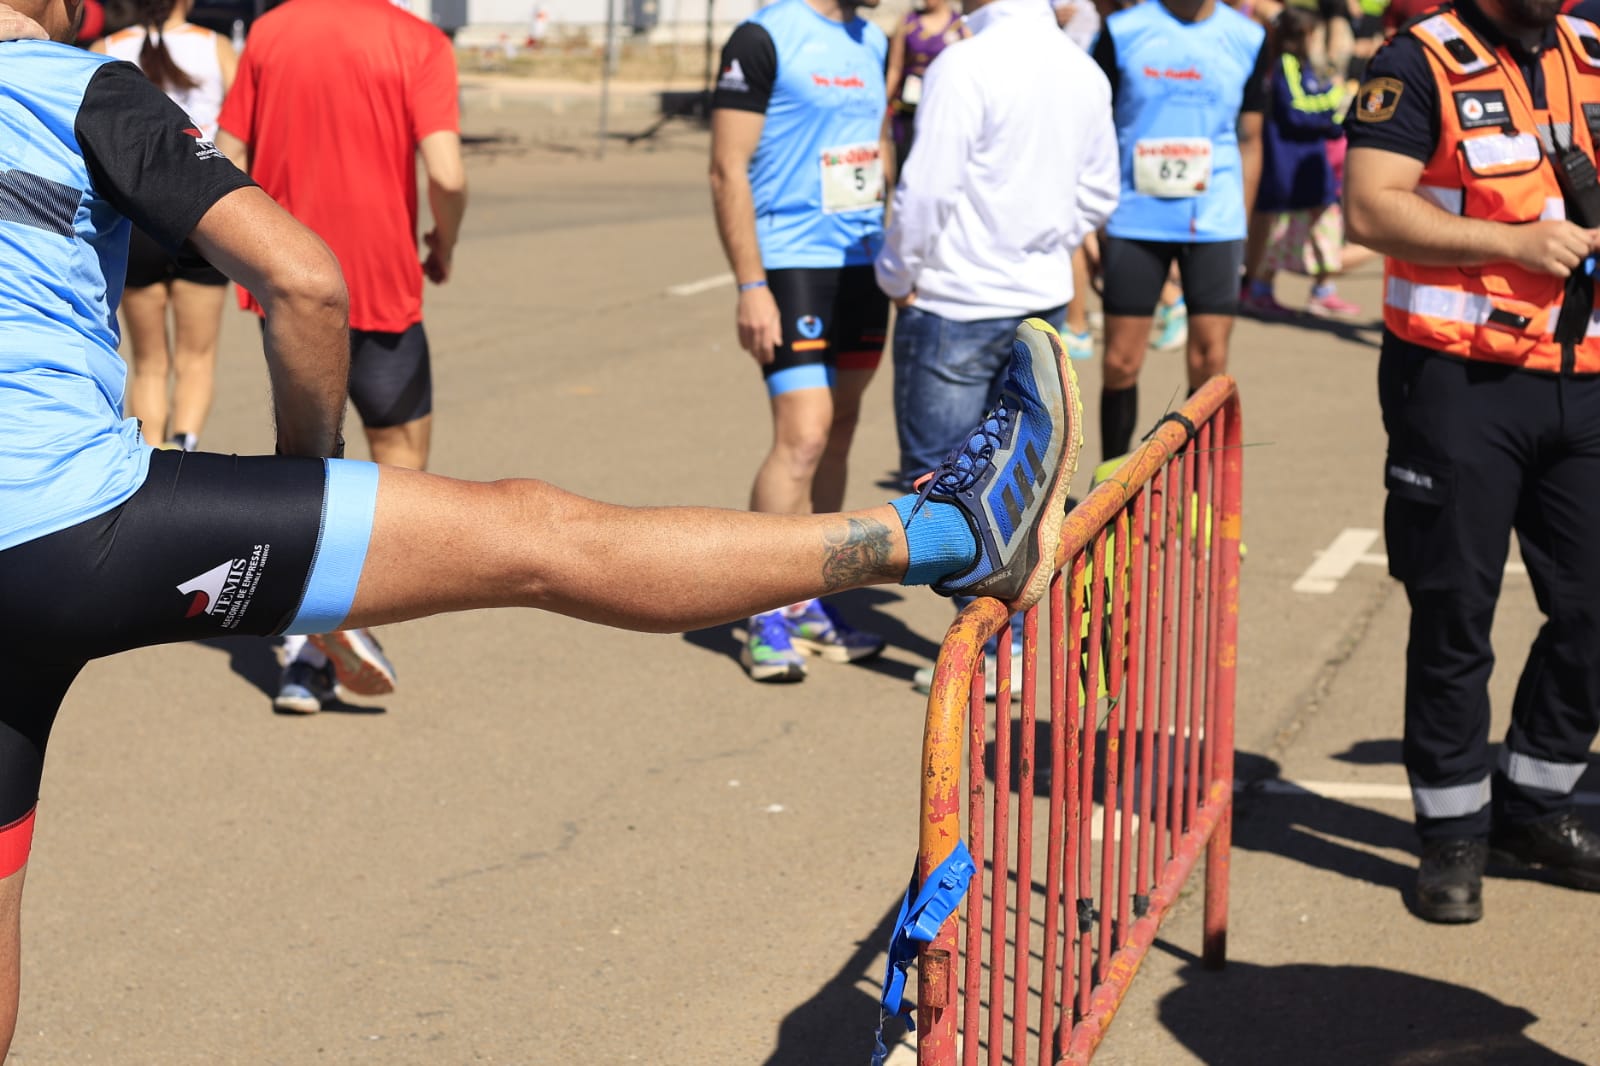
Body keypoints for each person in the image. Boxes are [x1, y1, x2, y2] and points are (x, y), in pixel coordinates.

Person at [0, 1, 1083, 1054]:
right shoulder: (69, 82)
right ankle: (945, 533)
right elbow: (303, 281)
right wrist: (304, 497)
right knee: (539, 537)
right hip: (60, 517)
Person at [1344, 0, 1600, 924]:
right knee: (1455, 606)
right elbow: (1370, 207)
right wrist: (1513, 243)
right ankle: (1452, 832)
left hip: (1586, 378)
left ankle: (1537, 804)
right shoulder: (1416, 64)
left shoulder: (1592, 49)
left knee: (1591, 605)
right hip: (1456, 383)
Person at [214, 0, 468, 712]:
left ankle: (306, 650)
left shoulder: (270, 31)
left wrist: (249, 259)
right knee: (401, 459)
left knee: (306, 464)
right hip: (381, 281)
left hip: (291, 284)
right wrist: (443, 240)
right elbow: (446, 175)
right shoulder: (417, 41)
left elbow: (227, 154)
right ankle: (340, 615)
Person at [709, 0, 894, 683]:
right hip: (791, 265)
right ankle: (762, 609)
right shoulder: (764, 36)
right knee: (805, 434)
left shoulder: (873, 38)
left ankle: (808, 597)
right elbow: (727, 167)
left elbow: (878, 145)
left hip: (864, 263)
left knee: (840, 429)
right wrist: (750, 284)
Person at [1092, 0, 1268, 465]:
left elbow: (1250, 139)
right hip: (1135, 215)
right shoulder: (1124, 31)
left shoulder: (1247, 37)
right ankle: (1110, 490)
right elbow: (1094, 128)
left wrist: (1242, 226)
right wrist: (1094, 219)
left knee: (1210, 361)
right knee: (1120, 363)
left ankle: (1195, 494)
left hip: (1215, 218)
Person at [91, 0, 236, 453]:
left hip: (136, 221)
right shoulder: (218, 47)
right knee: (197, 357)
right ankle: (186, 447)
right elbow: (237, 134)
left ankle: (150, 456)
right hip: (203, 215)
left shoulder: (107, 49)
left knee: (149, 361)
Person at [1241, 6, 1373, 317]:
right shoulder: (1285, 65)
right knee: (1280, 231)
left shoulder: (1304, 67)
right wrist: (1335, 100)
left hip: (1310, 164)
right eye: (1315, 35)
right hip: (1289, 165)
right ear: (1302, 36)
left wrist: (1335, 114)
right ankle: (1260, 288)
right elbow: (1299, 109)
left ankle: (1322, 289)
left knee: (1321, 225)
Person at [884, 0, 966, 173]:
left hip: (946, 107)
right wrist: (883, 103)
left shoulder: (960, 25)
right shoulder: (908, 23)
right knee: (907, 161)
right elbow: (895, 67)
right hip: (909, 108)